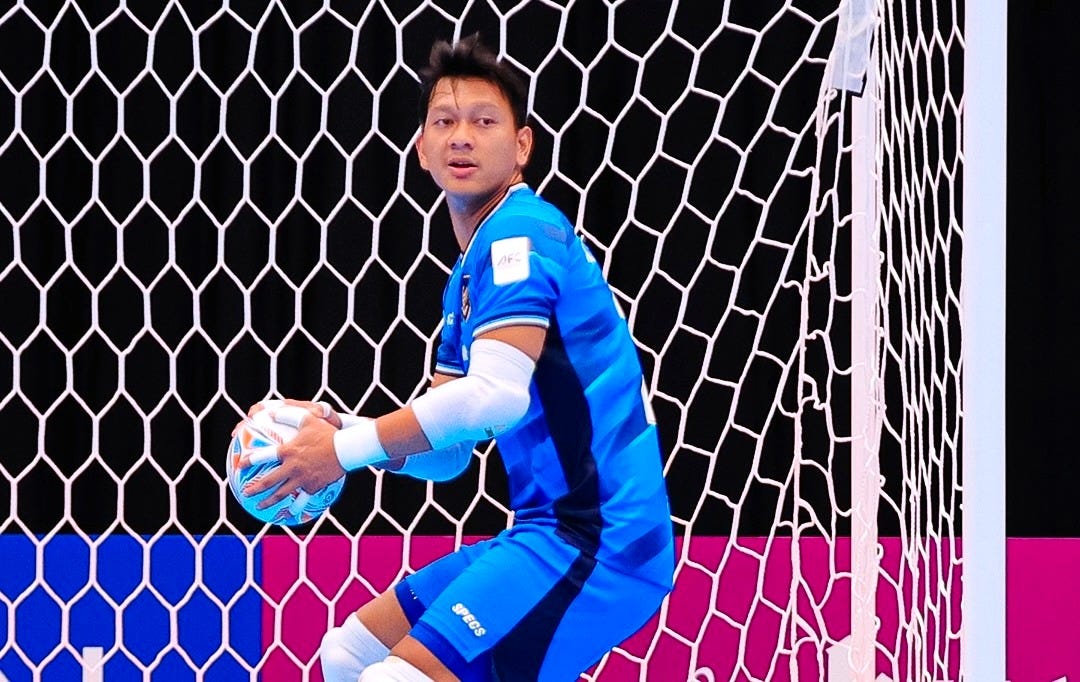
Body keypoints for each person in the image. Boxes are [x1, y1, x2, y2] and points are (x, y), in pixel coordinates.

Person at [239, 34, 674, 682]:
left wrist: (340, 453)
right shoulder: (469, 274)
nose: (462, 137)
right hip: (545, 532)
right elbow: (448, 456)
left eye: (484, 121)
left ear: (522, 146)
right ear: (421, 149)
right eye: (444, 122)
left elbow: (495, 397)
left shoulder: (519, 235)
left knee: (395, 679)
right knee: (350, 654)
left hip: (601, 543)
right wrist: (337, 429)